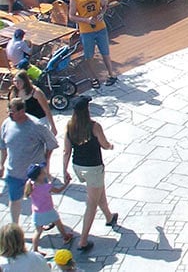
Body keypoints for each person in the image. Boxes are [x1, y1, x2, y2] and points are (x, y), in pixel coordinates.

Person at [62, 95, 117, 252]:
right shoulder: (94, 126)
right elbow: (104, 144)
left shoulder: (70, 126)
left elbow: (66, 151)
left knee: (99, 192)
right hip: (93, 168)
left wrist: (64, 170)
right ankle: (83, 241)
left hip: (78, 166)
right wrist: (111, 146)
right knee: (91, 204)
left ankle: (109, 216)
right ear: (87, 110)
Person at [0, 97, 58, 225]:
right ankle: (15, 227)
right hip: (14, 172)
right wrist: (1, 165)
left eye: (12, 112)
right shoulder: (6, 124)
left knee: (42, 198)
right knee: (14, 200)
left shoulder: (37, 126)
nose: (9, 114)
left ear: (22, 111)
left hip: (35, 175)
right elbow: (3, 146)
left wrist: (44, 163)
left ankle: (47, 218)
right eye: (9, 111)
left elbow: (52, 143)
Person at [69, 0, 117, 87]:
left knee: (105, 52)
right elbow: (71, 16)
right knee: (89, 55)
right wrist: (85, 20)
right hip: (86, 31)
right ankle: (93, 77)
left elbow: (104, 5)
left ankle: (111, 74)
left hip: (101, 28)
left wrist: (102, 14)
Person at [25, 162, 74, 253]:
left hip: (37, 213)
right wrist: (66, 184)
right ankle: (65, 237)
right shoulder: (47, 187)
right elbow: (58, 190)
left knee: (38, 232)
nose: (45, 172)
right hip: (49, 210)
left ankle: (35, 250)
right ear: (39, 176)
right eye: (43, 172)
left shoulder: (31, 186)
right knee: (58, 223)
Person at [9, 70, 56, 135]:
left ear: (25, 81)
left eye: (19, 81)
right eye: (15, 81)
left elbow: (47, 110)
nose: (17, 84)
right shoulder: (14, 93)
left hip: (39, 121)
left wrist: (53, 127)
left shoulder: (36, 92)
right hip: (24, 122)